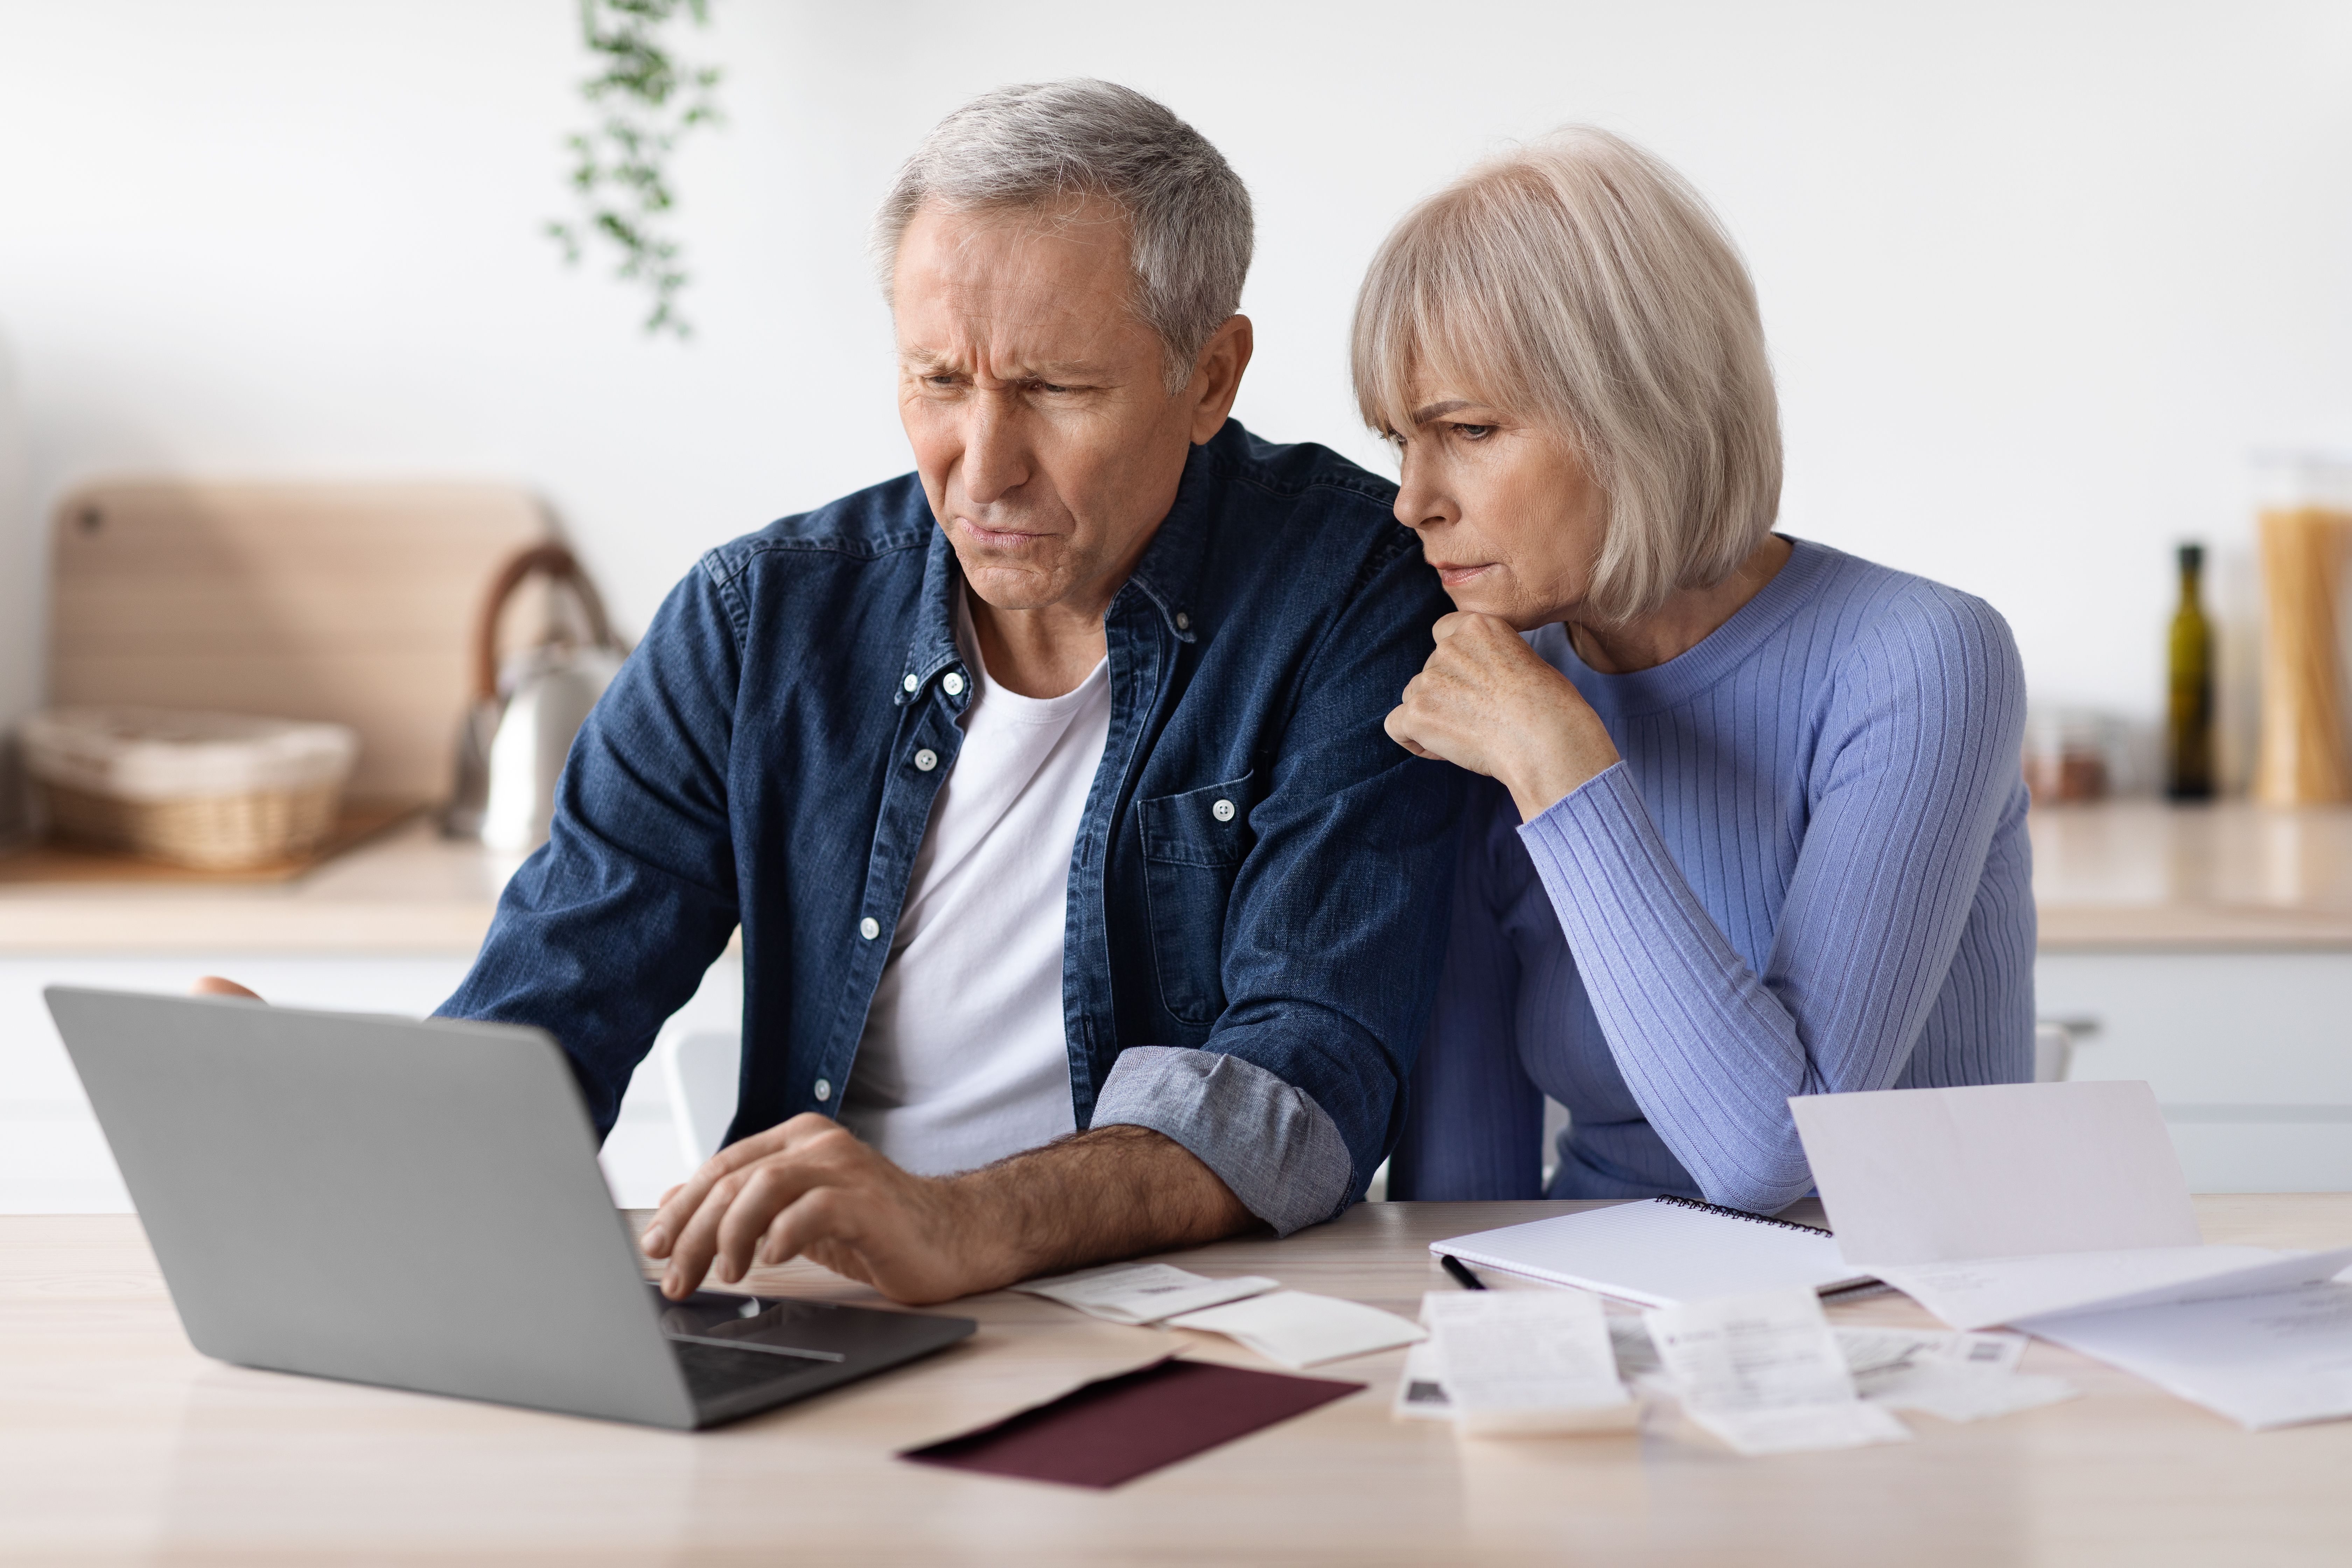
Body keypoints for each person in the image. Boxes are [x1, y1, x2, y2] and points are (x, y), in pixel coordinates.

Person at [204, 80, 1459, 1306]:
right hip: (824, 1314)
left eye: (1054, 390)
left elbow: (1305, 1080)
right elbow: (549, 1009)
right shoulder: (758, 622)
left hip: (1170, 1326)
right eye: (938, 381)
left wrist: (964, 1219)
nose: (983, 466)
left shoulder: (1355, 598)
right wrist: (343, 1132)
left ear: (1211, 377)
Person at [1363, 128, 2032, 1212]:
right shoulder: (1491, 690)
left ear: (1643, 411)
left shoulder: (1920, 661)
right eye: (1403, 439)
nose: (1414, 501)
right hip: (1606, 1322)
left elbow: (1779, 1160)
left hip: (1910, 1325)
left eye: (1471, 430)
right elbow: (1464, 1199)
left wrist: (1566, 771)